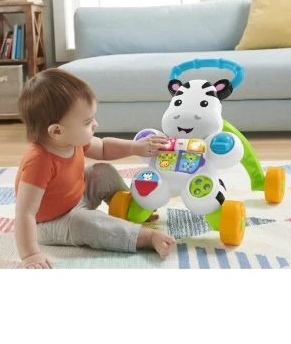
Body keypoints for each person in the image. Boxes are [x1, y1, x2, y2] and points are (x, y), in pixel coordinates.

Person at [14, 68, 176, 269]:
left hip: (77, 196)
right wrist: (30, 255)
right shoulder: (38, 162)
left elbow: (105, 148)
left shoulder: (70, 139)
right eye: (87, 122)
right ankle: (145, 237)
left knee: (102, 172)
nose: (96, 124)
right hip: (51, 222)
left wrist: (136, 147)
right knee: (86, 224)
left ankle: (132, 209)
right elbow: (25, 213)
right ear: (56, 131)